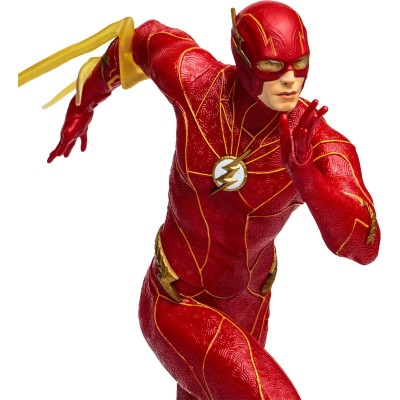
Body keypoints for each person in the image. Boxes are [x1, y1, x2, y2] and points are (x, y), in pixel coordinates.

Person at [18, 1, 380, 399]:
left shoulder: (318, 143)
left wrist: (308, 178)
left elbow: (363, 246)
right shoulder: (197, 82)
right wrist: (83, 104)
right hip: (177, 298)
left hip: (248, 307)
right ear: (242, 56)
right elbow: (141, 40)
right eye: (272, 66)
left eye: (301, 65)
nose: (290, 81)